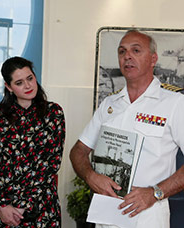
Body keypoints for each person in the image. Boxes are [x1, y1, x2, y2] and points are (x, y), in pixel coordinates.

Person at [70, 30, 184, 228]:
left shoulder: (174, 104)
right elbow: (78, 151)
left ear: (153, 59)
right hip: (107, 214)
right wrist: (90, 176)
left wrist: (155, 193)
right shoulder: (109, 104)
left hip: (148, 216)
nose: (127, 56)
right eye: (122, 52)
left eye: (136, 50)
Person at [0, 56, 66, 227]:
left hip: (40, 204)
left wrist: (22, 206)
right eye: (19, 83)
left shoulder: (53, 113)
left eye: (30, 78)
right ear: (9, 87)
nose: (28, 86)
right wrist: (2, 204)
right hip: (2, 207)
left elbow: (51, 164)